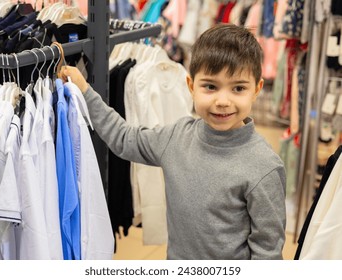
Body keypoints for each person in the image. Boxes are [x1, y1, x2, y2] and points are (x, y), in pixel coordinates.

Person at [59, 23, 286, 260]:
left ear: (256, 90)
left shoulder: (264, 167)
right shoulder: (177, 137)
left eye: (238, 88)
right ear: (191, 86)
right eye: (210, 86)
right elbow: (124, 139)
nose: (222, 101)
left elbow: (267, 252)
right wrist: (85, 91)